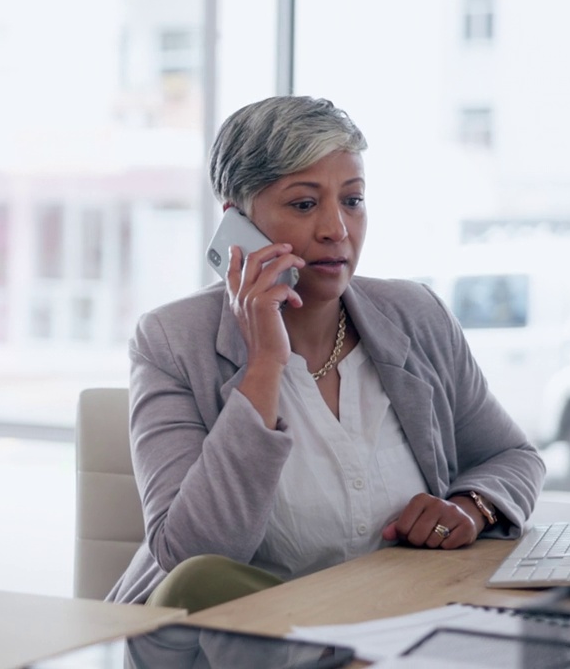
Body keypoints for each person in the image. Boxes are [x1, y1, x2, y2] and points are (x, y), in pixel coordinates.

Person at [106, 96, 544, 610]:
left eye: (352, 200)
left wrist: (473, 508)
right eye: (304, 204)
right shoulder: (172, 340)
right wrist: (266, 363)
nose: (336, 228)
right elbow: (192, 555)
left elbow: (512, 457)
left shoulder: (415, 315)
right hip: (232, 644)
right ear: (236, 223)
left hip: (393, 630)